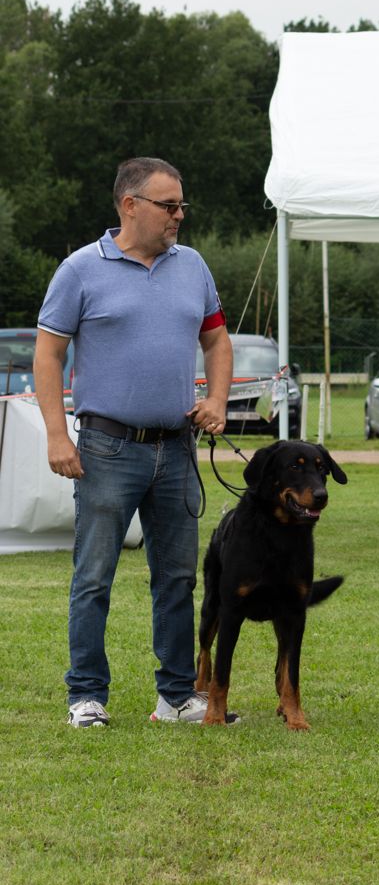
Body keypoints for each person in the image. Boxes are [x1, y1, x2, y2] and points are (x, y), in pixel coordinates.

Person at [34, 157, 234, 727]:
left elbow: (216, 342)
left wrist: (216, 400)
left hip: (176, 449)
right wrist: (56, 434)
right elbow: (47, 355)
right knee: (93, 576)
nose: (178, 216)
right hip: (105, 448)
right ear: (130, 206)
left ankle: (176, 697)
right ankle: (86, 697)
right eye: (168, 206)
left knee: (177, 577)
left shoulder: (192, 266)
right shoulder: (79, 270)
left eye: (181, 206)